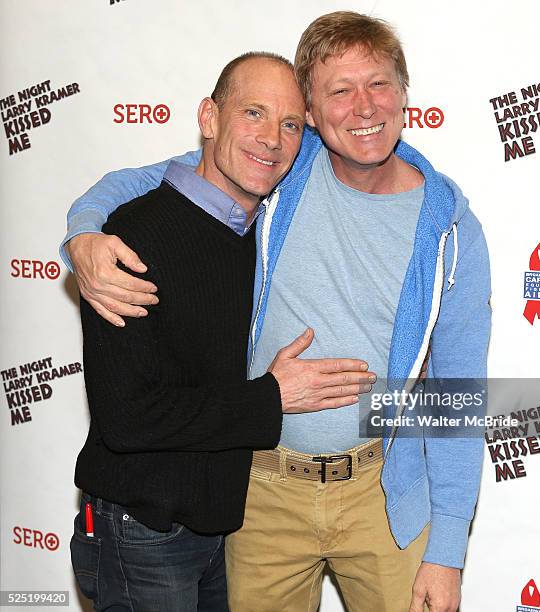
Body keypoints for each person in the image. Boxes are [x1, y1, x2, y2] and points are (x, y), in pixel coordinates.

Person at [62, 12, 491, 612]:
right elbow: (147, 181)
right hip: (259, 490)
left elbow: (456, 394)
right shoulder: (281, 169)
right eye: (339, 90)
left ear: (404, 95)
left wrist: (447, 551)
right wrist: (83, 234)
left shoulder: (449, 229)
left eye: (378, 84)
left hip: (383, 492)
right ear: (313, 111)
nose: (363, 107)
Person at [68, 51, 375, 612]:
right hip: (143, 530)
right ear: (209, 118)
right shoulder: (130, 239)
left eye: (289, 125)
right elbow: (128, 418)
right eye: (253, 113)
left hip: (227, 526)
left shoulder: (260, 236)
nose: (272, 139)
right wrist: (273, 399)